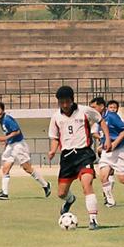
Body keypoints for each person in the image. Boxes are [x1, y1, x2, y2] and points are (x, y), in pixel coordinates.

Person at [48, 86, 106, 230]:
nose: (65, 105)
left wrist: (108, 139)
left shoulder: (84, 111)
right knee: (61, 193)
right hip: (67, 158)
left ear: (72, 100)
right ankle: (70, 199)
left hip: (84, 154)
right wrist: (53, 150)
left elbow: (100, 120)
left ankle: (93, 220)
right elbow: (55, 137)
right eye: (61, 102)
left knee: (87, 185)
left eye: (67, 101)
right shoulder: (56, 117)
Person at [0, 101, 51, 200]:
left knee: (27, 168)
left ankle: (45, 185)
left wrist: (5, 138)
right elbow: (9, 133)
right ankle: (4, 193)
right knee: (5, 169)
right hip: (11, 146)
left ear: (3, 110)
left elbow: (17, 131)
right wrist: (6, 143)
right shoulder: (1, 121)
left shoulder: (7, 119)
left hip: (19, 145)